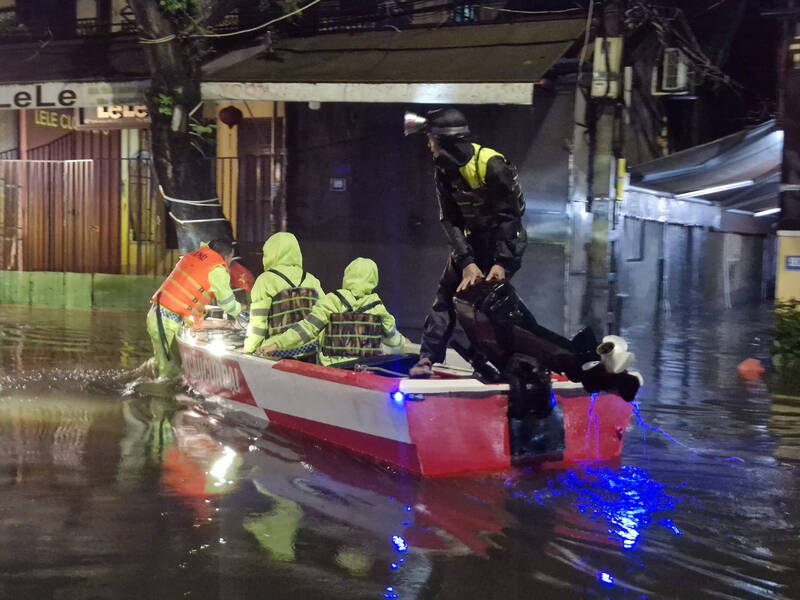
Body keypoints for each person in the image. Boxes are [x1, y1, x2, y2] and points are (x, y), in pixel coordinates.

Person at [404, 108, 527, 377]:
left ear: (445, 141)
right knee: (446, 295)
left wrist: (502, 263)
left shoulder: (492, 166)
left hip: (504, 241)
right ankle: (427, 359)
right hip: (473, 240)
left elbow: (510, 218)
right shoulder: (444, 170)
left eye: (431, 140)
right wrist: (467, 262)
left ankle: (503, 363)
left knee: (487, 303)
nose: (429, 146)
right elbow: (449, 220)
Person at [258, 257, 404, 366]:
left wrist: (276, 344)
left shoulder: (332, 301)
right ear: (374, 279)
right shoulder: (378, 308)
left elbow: (306, 330)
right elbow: (393, 340)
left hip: (333, 371)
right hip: (365, 369)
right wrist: (402, 340)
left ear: (348, 275)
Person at [147, 239, 244, 379]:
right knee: (166, 372)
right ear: (227, 256)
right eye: (230, 258)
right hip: (165, 322)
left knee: (168, 367)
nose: (230, 263)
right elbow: (228, 305)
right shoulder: (217, 270)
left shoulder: (190, 257)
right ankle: (160, 398)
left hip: (158, 316)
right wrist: (241, 312)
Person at [243, 232, 325, 356]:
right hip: (309, 350)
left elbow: (258, 324)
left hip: (276, 351)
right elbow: (323, 315)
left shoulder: (265, 280)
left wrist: (248, 348)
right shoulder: (311, 279)